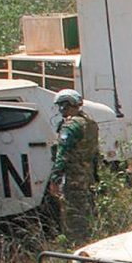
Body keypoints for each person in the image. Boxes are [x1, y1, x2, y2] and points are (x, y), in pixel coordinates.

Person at [47, 88, 99, 240]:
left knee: (73, 215)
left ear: (65, 105)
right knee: (87, 211)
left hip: (73, 178)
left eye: (61, 106)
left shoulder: (70, 126)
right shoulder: (90, 123)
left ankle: (76, 246)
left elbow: (62, 155)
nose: (60, 109)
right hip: (87, 176)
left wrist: (55, 179)